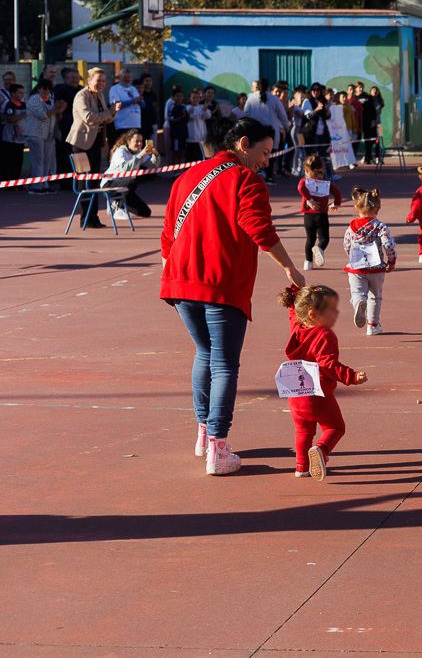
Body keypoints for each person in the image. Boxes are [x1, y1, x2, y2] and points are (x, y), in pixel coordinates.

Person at [161, 118, 306, 475]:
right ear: (244, 144)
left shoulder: (187, 177)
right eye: (264, 152)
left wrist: (177, 269)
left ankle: (202, 435)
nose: (266, 161)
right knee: (225, 363)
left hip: (181, 282)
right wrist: (289, 268)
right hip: (222, 283)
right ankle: (218, 448)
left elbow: (167, 236)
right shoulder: (245, 180)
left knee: (204, 353)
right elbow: (259, 228)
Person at [278, 284, 366, 481]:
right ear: (313, 313)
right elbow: (328, 365)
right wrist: (351, 376)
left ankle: (301, 467)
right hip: (318, 394)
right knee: (335, 427)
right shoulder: (325, 335)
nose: (336, 313)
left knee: (303, 430)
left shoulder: (297, 328)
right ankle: (321, 449)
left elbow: (293, 316)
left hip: (296, 393)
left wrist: (293, 304)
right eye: (331, 309)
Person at [343, 186, 397, 336]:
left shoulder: (351, 227)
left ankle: (359, 304)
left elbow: (346, 244)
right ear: (378, 209)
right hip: (376, 267)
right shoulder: (380, 226)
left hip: (356, 267)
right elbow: (388, 244)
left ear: (356, 207)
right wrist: (391, 261)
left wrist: (351, 257)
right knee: (375, 296)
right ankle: (372, 325)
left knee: (357, 292)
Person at [65, 67, 114, 227]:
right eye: (98, 80)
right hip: (81, 143)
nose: (101, 84)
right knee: (84, 181)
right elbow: (88, 117)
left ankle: (93, 217)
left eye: (104, 81)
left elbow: (107, 118)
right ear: (89, 80)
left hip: (96, 143)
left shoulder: (100, 95)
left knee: (94, 180)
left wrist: (113, 113)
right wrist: (110, 113)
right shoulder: (81, 96)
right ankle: (84, 218)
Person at [296, 155, 343, 270]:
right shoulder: (326, 183)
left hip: (308, 216)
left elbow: (300, 187)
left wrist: (309, 199)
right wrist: (336, 203)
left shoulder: (305, 182)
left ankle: (308, 262)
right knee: (324, 238)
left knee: (310, 239)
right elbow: (337, 193)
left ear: (306, 170)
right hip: (321, 215)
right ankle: (320, 249)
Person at [102, 128, 160, 219]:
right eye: (136, 141)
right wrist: (141, 155)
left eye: (141, 141)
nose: (140, 144)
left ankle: (118, 204)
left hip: (125, 187)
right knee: (132, 180)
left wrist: (155, 154)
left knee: (145, 212)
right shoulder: (120, 152)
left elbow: (153, 165)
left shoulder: (139, 152)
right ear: (128, 141)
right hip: (110, 183)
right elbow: (126, 168)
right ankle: (117, 207)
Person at [23, 78, 60, 193]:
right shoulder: (34, 100)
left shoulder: (51, 100)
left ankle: (44, 184)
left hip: (48, 135)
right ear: (39, 89)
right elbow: (43, 115)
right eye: (44, 89)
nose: (46, 91)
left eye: (49, 89)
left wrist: (59, 110)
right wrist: (56, 109)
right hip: (35, 134)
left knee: (46, 161)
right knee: (38, 160)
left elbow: (55, 116)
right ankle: (36, 186)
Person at [109, 68, 142, 141]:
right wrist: (133, 101)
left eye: (129, 77)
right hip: (123, 126)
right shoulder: (115, 89)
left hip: (136, 125)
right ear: (120, 77)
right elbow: (117, 106)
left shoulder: (133, 88)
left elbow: (140, 103)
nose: (127, 79)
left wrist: (141, 101)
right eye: (125, 77)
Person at [185, 88, 210, 156]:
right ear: (190, 99)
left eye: (197, 98)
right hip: (191, 139)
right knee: (191, 158)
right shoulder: (187, 108)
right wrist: (203, 110)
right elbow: (193, 116)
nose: (195, 99)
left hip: (202, 138)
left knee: (202, 157)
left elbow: (208, 116)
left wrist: (204, 109)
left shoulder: (202, 106)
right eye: (193, 98)